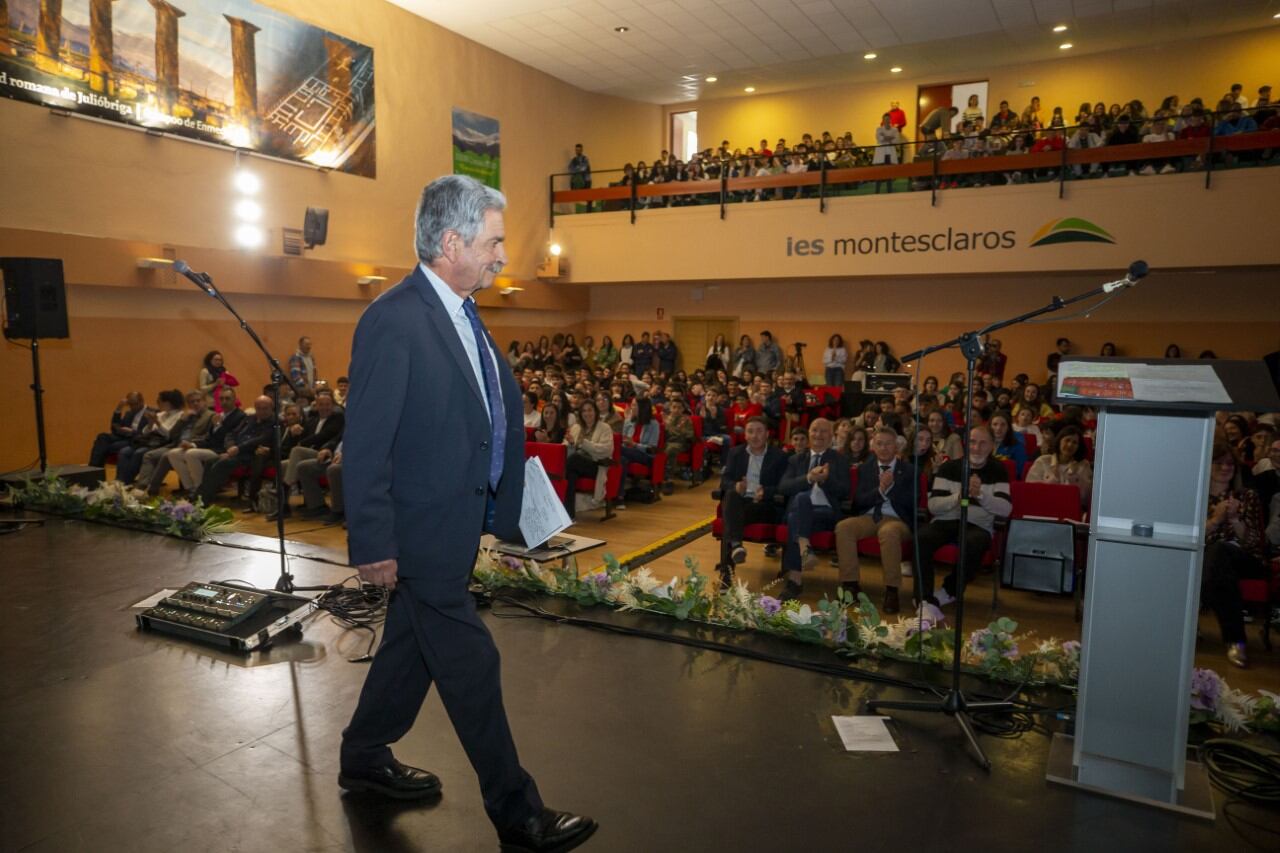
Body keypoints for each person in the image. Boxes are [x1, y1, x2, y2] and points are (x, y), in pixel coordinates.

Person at [339, 176, 595, 852]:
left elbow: (481, 417)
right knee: (471, 662)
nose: (503, 255)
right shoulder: (394, 319)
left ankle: (363, 753)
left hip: (453, 526)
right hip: (418, 535)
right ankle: (517, 810)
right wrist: (371, 540)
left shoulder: (461, 311)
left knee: (408, 654)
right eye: (494, 241)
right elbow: (365, 441)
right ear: (450, 242)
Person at [916, 425, 1012, 606]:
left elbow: (1005, 509)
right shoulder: (949, 468)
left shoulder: (998, 470)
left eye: (983, 443)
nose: (976, 448)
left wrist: (980, 496)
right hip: (946, 520)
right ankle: (922, 595)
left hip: (978, 524)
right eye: (973, 442)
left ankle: (949, 590)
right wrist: (959, 496)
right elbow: (933, 506)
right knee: (921, 538)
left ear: (992, 446)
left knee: (973, 542)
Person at [835, 427, 916, 614]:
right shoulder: (866, 468)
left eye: (888, 444)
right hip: (869, 516)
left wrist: (891, 488)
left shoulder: (909, 470)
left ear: (896, 446)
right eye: (879, 444)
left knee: (888, 532)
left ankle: (891, 590)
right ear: (873, 446)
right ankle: (850, 585)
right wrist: (880, 489)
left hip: (897, 519)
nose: (884, 448)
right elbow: (858, 502)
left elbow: (912, 504)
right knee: (844, 527)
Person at [1202, 442, 1268, 668]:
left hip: (1244, 558)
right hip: (1206, 558)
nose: (1224, 468)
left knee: (1220, 551)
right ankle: (1236, 640)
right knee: (1214, 558)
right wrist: (1215, 520)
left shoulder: (1247, 496)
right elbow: (1190, 537)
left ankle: (1235, 640)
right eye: (1218, 463)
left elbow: (1254, 542)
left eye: (1230, 463)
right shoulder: (1197, 497)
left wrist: (1235, 520)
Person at [778, 418, 851, 601]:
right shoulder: (796, 459)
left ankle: (795, 580)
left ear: (832, 436)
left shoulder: (839, 459)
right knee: (801, 501)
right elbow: (784, 487)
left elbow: (845, 491)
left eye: (824, 431)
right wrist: (809, 478)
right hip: (799, 511)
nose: (818, 435)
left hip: (825, 513)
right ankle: (804, 551)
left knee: (797, 513)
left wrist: (825, 481)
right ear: (808, 433)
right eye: (814, 430)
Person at [718, 416, 787, 579]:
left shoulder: (779, 457)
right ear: (745, 435)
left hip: (765, 505)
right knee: (731, 495)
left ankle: (727, 571)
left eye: (759, 431)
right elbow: (725, 480)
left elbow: (784, 487)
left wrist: (766, 492)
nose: (755, 436)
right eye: (750, 432)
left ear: (767, 434)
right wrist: (735, 486)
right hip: (741, 502)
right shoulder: (736, 453)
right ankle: (736, 547)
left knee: (731, 516)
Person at [195, 395, 276, 506]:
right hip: (235, 452)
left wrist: (237, 449)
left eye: (265, 408)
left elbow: (260, 439)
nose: (261, 411)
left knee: (221, 464)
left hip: (252, 454)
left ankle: (202, 501)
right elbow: (231, 434)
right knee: (210, 461)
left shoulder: (275, 423)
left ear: (272, 408)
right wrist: (230, 447)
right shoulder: (249, 418)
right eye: (258, 408)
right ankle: (201, 497)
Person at [115, 389, 185, 484]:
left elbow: (169, 435)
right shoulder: (161, 414)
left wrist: (157, 423)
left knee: (139, 452)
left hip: (163, 443)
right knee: (124, 451)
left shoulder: (179, 415)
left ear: (168, 403)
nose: (157, 403)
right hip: (149, 441)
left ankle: (127, 481)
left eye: (159, 401)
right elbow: (145, 432)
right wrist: (150, 424)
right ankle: (120, 480)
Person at [564, 399, 614, 515]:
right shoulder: (576, 427)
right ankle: (569, 514)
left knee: (573, 460)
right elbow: (567, 449)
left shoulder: (605, 427)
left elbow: (606, 450)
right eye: (584, 411)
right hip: (575, 464)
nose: (587, 413)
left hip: (596, 465)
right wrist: (571, 444)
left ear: (596, 412)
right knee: (570, 474)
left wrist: (584, 444)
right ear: (580, 414)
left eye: (590, 410)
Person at [1025, 425, 1093, 508]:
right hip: (1042, 506)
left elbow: (1085, 498)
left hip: (1070, 508)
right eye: (1067, 440)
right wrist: (1054, 478)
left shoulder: (1083, 465)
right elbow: (1031, 492)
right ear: (1059, 441)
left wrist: (1073, 477)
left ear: (1078, 447)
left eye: (1074, 442)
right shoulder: (1042, 461)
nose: (1070, 445)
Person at [89, 391, 147, 468]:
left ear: (141, 401)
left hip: (135, 439)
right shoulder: (129, 413)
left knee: (103, 447)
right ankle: (93, 469)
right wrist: (118, 408)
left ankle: (95, 470)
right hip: (123, 436)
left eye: (135, 404)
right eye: (130, 405)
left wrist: (132, 431)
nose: (132, 407)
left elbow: (149, 433)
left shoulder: (152, 412)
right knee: (102, 436)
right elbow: (114, 428)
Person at [988, 410, 1028, 478]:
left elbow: (1020, 471)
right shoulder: (983, 443)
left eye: (1003, 424)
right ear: (990, 426)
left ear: (1008, 427)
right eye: (995, 424)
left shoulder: (1017, 446)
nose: (998, 428)